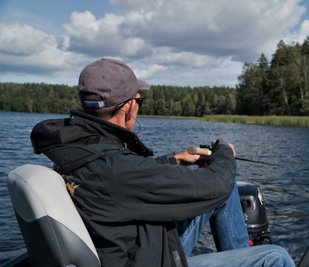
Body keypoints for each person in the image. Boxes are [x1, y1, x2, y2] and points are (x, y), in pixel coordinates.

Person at [30, 58, 295, 267]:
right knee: (275, 257)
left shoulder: (80, 147)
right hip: (146, 258)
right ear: (128, 107)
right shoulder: (114, 169)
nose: (139, 106)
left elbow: (124, 180)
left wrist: (174, 161)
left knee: (221, 192)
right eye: (139, 99)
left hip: (135, 244)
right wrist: (224, 151)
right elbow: (215, 185)